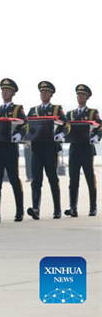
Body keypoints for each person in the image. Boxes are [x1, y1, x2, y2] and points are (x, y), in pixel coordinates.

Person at [0, 78, 28, 223]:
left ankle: (19, 211)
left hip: (10, 149)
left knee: (14, 180)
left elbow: (25, 125)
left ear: (13, 93)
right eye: (3, 90)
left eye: (8, 90)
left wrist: (19, 134)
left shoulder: (17, 109)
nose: (5, 92)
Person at [26, 81, 66, 220]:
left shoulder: (56, 109)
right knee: (36, 180)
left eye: (46, 92)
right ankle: (36, 208)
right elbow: (27, 126)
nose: (43, 94)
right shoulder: (33, 111)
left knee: (53, 179)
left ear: (51, 94)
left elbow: (65, 124)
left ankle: (57, 209)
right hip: (37, 149)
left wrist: (61, 134)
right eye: (41, 92)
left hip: (50, 149)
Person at [65, 84, 99, 217]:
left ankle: (93, 207)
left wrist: (96, 136)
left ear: (87, 97)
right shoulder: (71, 114)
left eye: (83, 95)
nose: (80, 97)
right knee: (73, 180)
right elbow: (65, 128)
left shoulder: (92, 113)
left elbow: (99, 126)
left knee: (90, 178)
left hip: (86, 148)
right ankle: (73, 207)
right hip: (74, 149)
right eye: (78, 95)